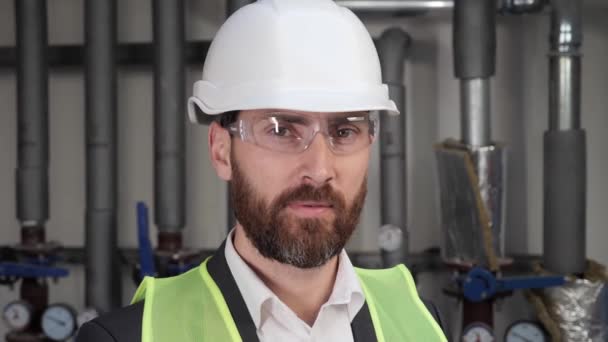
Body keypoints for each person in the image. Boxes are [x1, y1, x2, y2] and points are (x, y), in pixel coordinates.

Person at [76, 0, 448, 341]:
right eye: (281, 130)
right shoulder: (130, 337)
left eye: (345, 130)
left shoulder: (419, 322)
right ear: (222, 152)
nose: (319, 169)